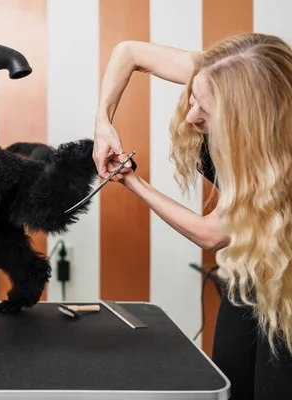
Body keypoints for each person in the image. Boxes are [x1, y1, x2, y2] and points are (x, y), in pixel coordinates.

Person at [93, 33, 292, 399]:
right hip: (248, 268)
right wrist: (102, 122)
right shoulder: (222, 71)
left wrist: (132, 181)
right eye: (192, 96)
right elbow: (129, 52)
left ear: (250, 121)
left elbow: (213, 233)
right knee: (230, 378)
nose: (190, 115)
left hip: (286, 286)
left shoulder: (275, 145)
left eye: (206, 110)